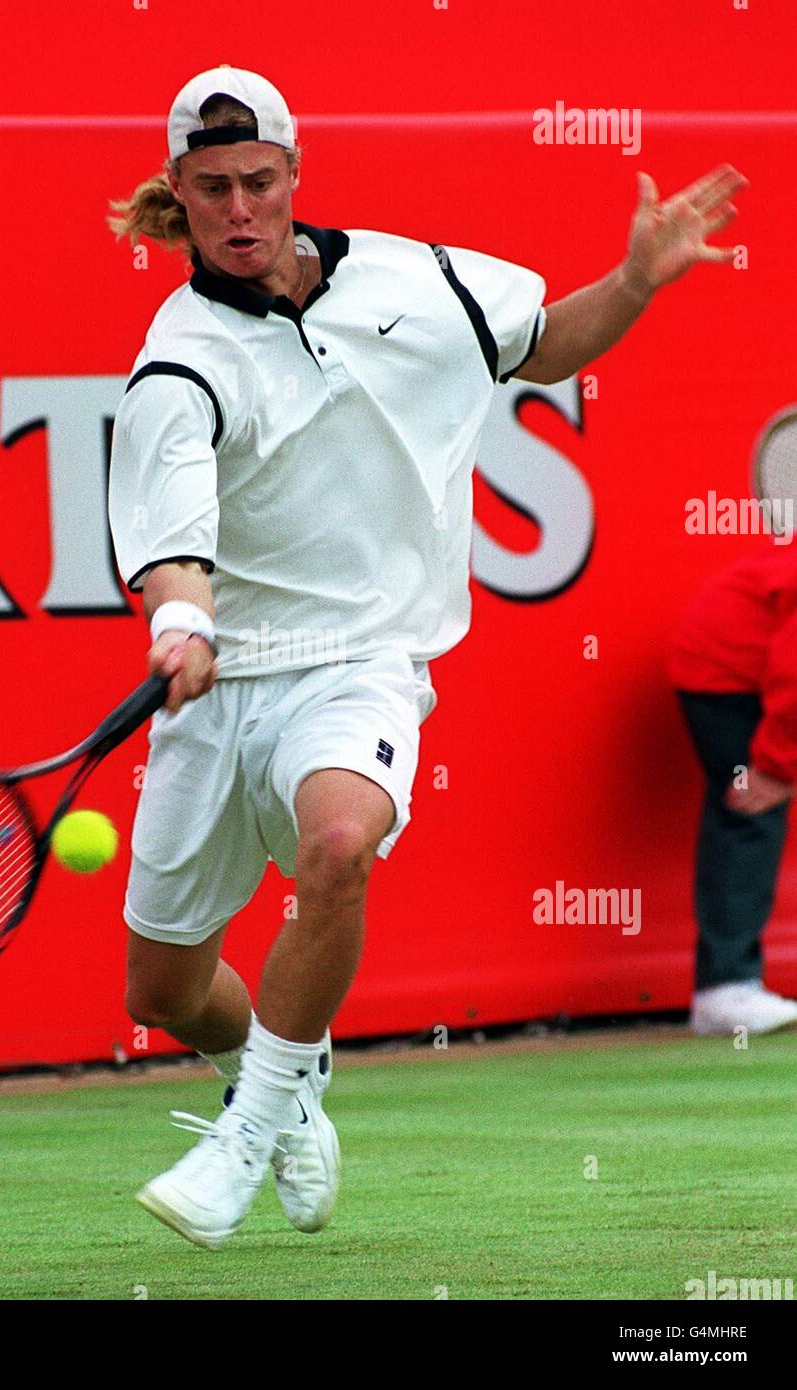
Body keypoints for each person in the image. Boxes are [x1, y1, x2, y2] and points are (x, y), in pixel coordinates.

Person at [107, 64, 746, 1249]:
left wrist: (635, 282)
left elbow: (543, 347)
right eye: (210, 189)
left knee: (340, 842)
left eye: (257, 181)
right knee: (163, 992)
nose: (239, 209)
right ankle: (282, 1080)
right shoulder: (177, 357)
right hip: (220, 682)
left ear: (295, 176)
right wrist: (181, 621)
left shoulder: (421, 279)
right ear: (177, 199)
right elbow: (175, 541)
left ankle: (248, 1133)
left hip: (362, 658)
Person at [670, 544, 797, 1036]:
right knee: (751, 811)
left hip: (759, 664)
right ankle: (725, 989)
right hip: (726, 675)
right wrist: (776, 767)